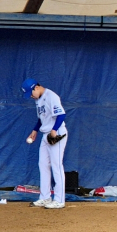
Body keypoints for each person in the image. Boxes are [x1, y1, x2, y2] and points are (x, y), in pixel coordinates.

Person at [21, 78, 68, 209]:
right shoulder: (38, 100)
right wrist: (35, 130)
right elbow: (42, 118)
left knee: (56, 166)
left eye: (30, 92)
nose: (30, 96)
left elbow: (61, 115)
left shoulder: (51, 96)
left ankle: (59, 200)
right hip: (45, 134)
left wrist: (54, 130)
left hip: (56, 133)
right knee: (43, 165)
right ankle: (45, 197)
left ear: (36, 87)